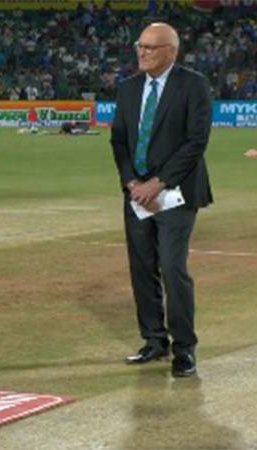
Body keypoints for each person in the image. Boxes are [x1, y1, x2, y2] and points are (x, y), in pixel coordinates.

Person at [111, 22, 213, 378]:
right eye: (140, 46)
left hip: (177, 193)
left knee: (172, 268)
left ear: (171, 50)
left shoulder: (194, 84)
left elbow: (195, 142)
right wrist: (131, 182)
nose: (142, 52)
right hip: (136, 194)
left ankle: (184, 349)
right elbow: (119, 141)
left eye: (150, 48)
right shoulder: (127, 89)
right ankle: (154, 340)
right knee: (142, 269)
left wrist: (158, 183)